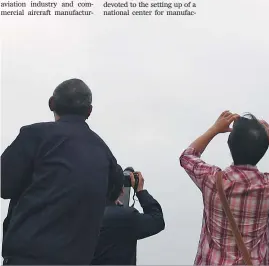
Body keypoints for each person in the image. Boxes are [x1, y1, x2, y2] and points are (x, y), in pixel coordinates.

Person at [1, 79, 122, 265]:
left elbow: (4, 186)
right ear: (89, 111)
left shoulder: (34, 135)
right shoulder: (104, 152)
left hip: (28, 257)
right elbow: (113, 193)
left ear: (52, 103)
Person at [179, 111, 269, 265]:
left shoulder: (211, 179)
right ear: (264, 148)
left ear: (230, 144)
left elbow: (187, 156)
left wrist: (215, 129)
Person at [92, 168, 165, 265]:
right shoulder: (127, 217)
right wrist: (140, 191)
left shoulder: (83, 215)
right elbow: (157, 220)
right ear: (122, 190)